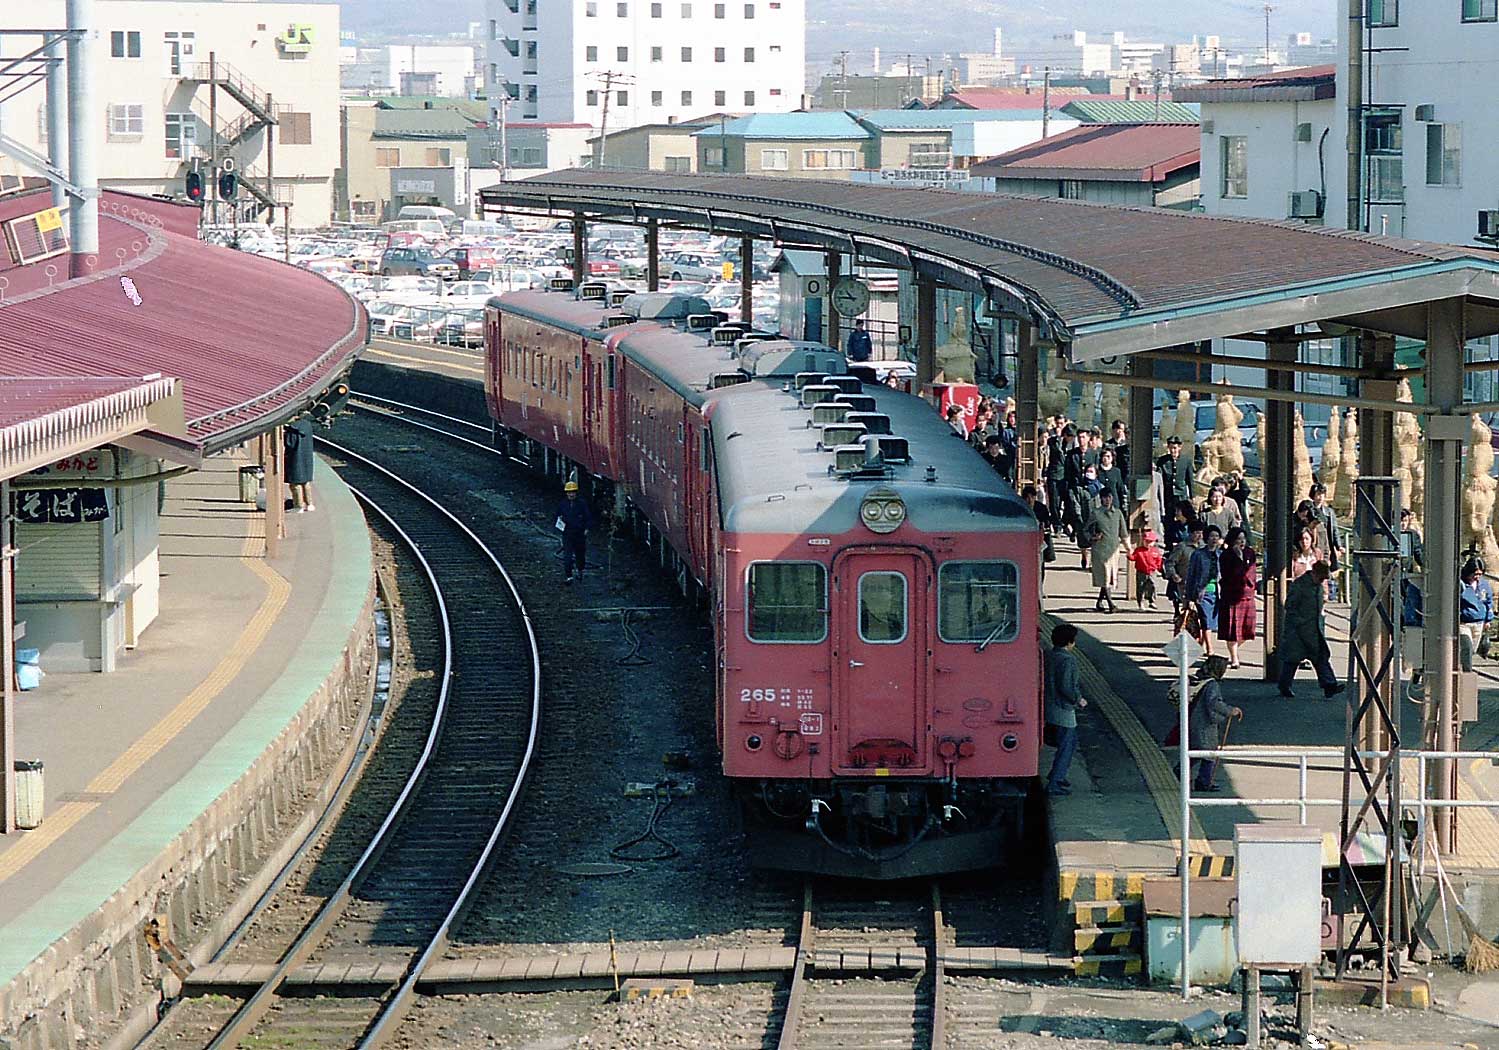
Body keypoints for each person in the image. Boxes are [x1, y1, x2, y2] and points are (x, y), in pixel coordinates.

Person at [1276, 561, 1344, 699]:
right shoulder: (1299, 586)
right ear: (1314, 573)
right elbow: (1290, 606)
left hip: (1313, 629)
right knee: (1292, 660)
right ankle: (1284, 685)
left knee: (1320, 657)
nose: (1322, 581)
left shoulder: (1316, 586)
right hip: (1298, 630)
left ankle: (1329, 685)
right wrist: (1299, 622)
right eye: (1321, 578)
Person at [1045, 621, 1087, 795]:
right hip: (1063, 709)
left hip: (1049, 706)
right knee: (1067, 745)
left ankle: (1056, 776)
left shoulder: (1048, 655)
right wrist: (1079, 700)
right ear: (1070, 642)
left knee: (1066, 743)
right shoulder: (1068, 660)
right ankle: (1055, 780)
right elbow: (1067, 687)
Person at [1187, 660, 1241, 792]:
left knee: (1197, 749)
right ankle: (1204, 781)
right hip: (1204, 722)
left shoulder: (1197, 679)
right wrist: (1230, 710)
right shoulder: (1212, 685)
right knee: (1209, 751)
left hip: (1192, 717)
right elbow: (1214, 703)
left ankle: (1182, 771)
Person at [1217, 527, 1259, 669]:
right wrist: (1238, 559)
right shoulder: (1226, 555)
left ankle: (1235, 651)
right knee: (1232, 631)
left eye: (1243, 539)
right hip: (1231, 595)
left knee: (1248, 630)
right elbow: (1229, 575)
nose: (1241, 542)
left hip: (1247, 595)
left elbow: (1251, 573)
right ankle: (1234, 657)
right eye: (1238, 539)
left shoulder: (1250, 553)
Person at [1085, 485, 1131, 613]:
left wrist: (1128, 548)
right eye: (1104, 498)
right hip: (1099, 550)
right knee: (1105, 576)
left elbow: (1123, 532)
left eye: (1109, 497)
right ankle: (1111, 604)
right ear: (1101, 499)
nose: (1107, 500)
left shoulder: (1118, 513)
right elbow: (1085, 530)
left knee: (1110, 576)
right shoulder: (1096, 513)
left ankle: (1099, 601)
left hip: (1114, 550)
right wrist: (1093, 537)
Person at [1183, 524, 1224, 665]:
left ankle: (1201, 644)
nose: (1214, 539)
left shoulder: (1221, 555)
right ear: (1206, 538)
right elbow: (1191, 575)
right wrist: (1188, 597)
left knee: (1212, 621)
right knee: (1206, 620)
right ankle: (1210, 649)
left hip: (1217, 591)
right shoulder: (1198, 554)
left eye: (1217, 536)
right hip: (1202, 592)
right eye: (1212, 536)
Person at [554, 479, 595, 583]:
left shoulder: (582, 504)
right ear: (566, 493)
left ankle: (580, 570)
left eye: (573, 492)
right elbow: (557, 516)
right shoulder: (562, 504)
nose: (571, 494)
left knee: (580, 554)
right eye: (569, 492)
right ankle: (569, 576)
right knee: (567, 555)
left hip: (579, 533)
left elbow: (588, 517)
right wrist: (559, 525)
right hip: (567, 534)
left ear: (576, 493)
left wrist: (587, 529)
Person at [1165, 517, 1203, 619]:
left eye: (1201, 533)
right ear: (1190, 533)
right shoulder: (1182, 547)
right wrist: (1174, 575)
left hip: (1202, 585)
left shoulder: (1204, 547)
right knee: (1188, 610)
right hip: (1185, 584)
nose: (1200, 536)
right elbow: (1170, 563)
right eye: (1197, 533)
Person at [1459, 558, 1493, 669]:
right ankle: (1467, 674)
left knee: (1471, 650)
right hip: (1464, 622)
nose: (1477, 577)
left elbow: (1488, 602)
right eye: (1475, 574)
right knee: (1467, 647)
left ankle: (1460, 667)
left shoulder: (1484, 585)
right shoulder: (1461, 584)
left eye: (1480, 574)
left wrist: (1488, 619)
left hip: (1479, 621)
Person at [1156, 435, 1193, 524]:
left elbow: (1190, 479)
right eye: (1171, 448)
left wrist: (1192, 496)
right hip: (1168, 495)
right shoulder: (1162, 460)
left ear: (1180, 447)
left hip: (1181, 494)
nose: (1173, 450)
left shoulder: (1186, 460)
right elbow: (1159, 477)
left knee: (1183, 516)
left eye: (1175, 448)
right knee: (1169, 517)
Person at [284, 417, 316, 513]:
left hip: (295, 459)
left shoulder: (293, 430)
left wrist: (285, 435)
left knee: (295, 484)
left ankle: (298, 505)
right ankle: (309, 504)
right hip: (306, 458)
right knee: (305, 483)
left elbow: (290, 444)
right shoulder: (307, 426)